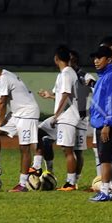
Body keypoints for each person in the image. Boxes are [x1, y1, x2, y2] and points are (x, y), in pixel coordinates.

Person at [0, 64, 41, 192]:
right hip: (17, 114)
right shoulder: (0, 80)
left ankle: (22, 184)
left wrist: (1, 119)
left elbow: (3, 102)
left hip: (27, 114)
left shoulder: (5, 77)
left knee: (24, 148)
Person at [37, 45, 80, 191]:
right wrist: (50, 96)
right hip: (62, 116)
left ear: (56, 59)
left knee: (67, 150)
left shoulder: (67, 74)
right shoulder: (64, 74)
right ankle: (42, 167)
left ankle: (71, 183)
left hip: (67, 118)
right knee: (40, 131)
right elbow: (63, 96)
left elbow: (66, 95)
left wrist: (56, 116)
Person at [89, 46, 112, 201]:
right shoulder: (106, 76)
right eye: (95, 58)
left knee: (105, 158)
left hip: (108, 124)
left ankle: (105, 192)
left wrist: (107, 124)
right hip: (106, 122)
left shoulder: (110, 76)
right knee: (110, 158)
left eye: (100, 58)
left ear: (109, 59)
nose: (96, 61)